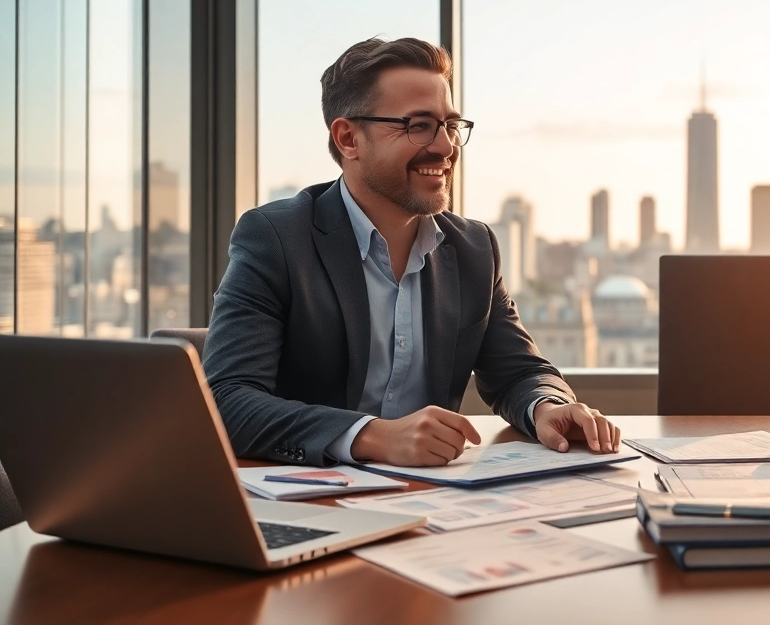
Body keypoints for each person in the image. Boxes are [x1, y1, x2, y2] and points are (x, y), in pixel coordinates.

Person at [204, 37, 619, 468]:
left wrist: (547, 407)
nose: (445, 147)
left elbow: (518, 372)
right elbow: (227, 400)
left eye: (451, 126)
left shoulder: (475, 248)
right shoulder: (276, 238)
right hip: (310, 500)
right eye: (419, 125)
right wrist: (372, 436)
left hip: (435, 501)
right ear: (349, 138)